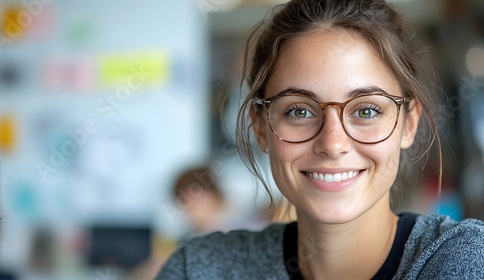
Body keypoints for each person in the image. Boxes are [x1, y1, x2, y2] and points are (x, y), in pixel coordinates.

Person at [156, 0, 484, 279]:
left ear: (408, 124)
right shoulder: (198, 270)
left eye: (367, 111)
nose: (332, 143)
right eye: (299, 111)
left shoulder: (465, 261)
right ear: (260, 127)